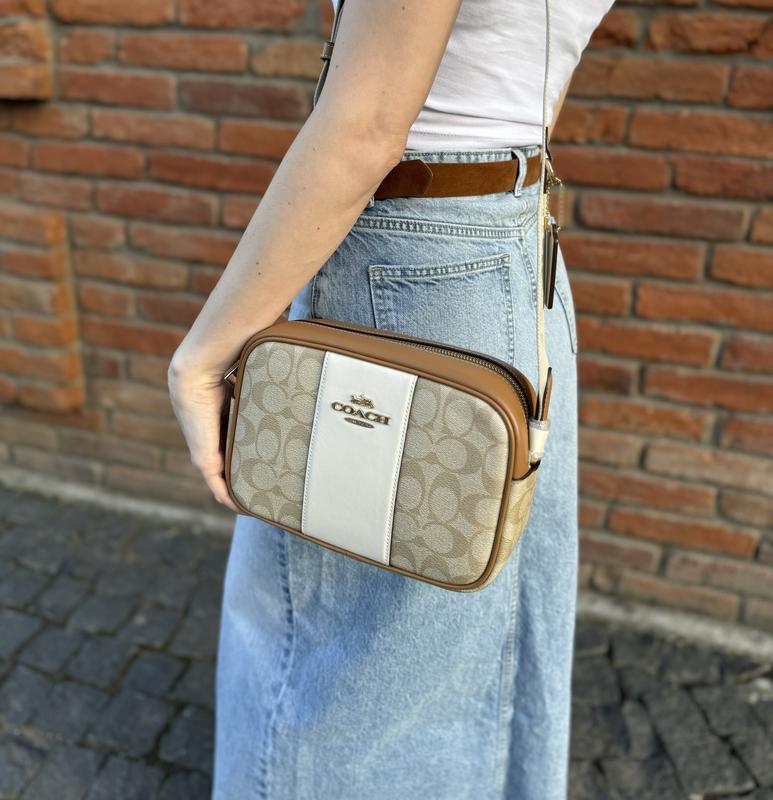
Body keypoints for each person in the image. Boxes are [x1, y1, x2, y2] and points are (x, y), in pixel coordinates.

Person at [168, 0, 615, 797]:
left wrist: (201, 358)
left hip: (405, 261)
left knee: (336, 641)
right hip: (516, 246)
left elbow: (366, 128)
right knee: (468, 624)